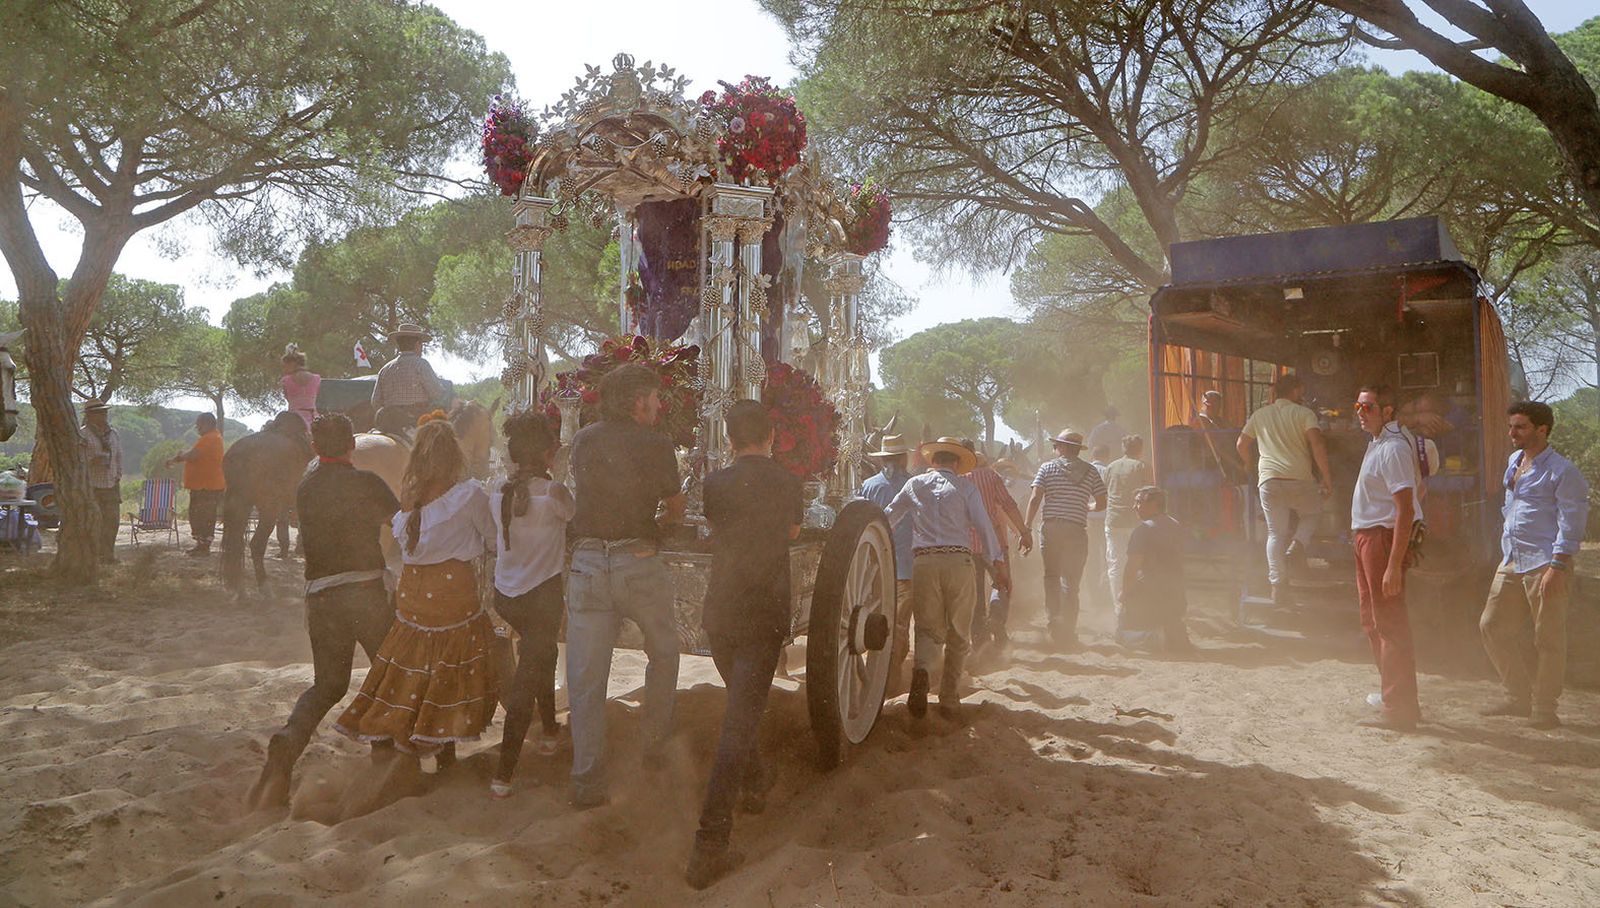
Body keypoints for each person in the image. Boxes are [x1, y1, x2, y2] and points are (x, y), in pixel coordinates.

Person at [247, 414, 399, 810]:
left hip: (321, 596)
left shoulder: (306, 489)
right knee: (389, 672)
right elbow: (403, 528)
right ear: (353, 444)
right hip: (365, 591)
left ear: (315, 448)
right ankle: (384, 753)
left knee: (328, 685)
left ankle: (288, 742)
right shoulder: (369, 483)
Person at [687, 400, 805, 889]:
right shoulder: (789, 483)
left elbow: (716, 526)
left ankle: (755, 779)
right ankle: (710, 843)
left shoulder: (713, 485)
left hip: (722, 612)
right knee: (737, 723)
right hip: (763, 612)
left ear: (730, 440)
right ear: (770, 436)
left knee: (741, 706)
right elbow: (794, 532)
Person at [334, 418, 498, 758]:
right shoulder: (469, 494)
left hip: (412, 591)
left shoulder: (408, 495)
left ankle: (392, 729)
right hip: (453, 591)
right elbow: (494, 540)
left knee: (408, 656)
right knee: (452, 661)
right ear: (454, 456)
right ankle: (442, 743)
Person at [565, 362, 685, 808]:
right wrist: (661, 524)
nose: (658, 405)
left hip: (589, 561)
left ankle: (588, 781)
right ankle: (653, 746)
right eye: (654, 398)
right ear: (638, 402)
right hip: (637, 559)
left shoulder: (582, 440)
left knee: (586, 676)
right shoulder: (656, 444)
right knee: (665, 652)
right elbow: (675, 504)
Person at [1480, 401, 1590, 729]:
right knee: (1492, 625)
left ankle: (1545, 709)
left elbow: (1572, 522)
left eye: (1520, 427)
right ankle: (1517, 697)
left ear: (1542, 430)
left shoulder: (1563, 471)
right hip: (1513, 559)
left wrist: (1558, 565)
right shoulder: (1514, 462)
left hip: (1546, 563)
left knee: (1548, 639)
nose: (1512, 433)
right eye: (1511, 426)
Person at [884, 439, 1008, 721]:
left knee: (927, 628)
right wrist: (998, 563)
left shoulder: (915, 485)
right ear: (956, 463)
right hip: (959, 561)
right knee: (959, 630)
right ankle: (949, 697)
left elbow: (889, 516)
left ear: (933, 461)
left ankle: (922, 672)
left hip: (924, 562)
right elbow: (984, 527)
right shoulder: (966, 488)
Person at [488, 412, 575, 797]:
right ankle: (504, 772)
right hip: (541, 597)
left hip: (506, 596)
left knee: (541, 657)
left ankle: (551, 729)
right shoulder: (554, 494)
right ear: (546, 452)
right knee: (530, 672)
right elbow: (575, 517)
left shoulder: (496, 490)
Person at [1350, 385, 1421, 732]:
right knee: (1373, 620)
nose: (1362, 413)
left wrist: (1394, 563)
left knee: (1389, 622)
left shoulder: (1392, 448)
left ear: (1388, 410)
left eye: (1369, 407)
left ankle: (1399, 708)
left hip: (1380, 538)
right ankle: (1392, 696)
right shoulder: (1378, 443)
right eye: (1359, 406)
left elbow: (1405, 508)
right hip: (1367, 536)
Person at [1237, 373, 1332, 604]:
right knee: (1312, 513)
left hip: (1268, 480)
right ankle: (1298, 546)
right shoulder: (1304, 413)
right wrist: (1327, 477)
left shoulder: (1259, 415)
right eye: (1301, 390)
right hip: (1299, 477)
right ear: (1295, 391)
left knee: (1275, 533)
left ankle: (1278, 585)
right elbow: (1317, 444)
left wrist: (1249, 463)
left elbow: (1241, 444)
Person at [1022, 429, 1107, 647]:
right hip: (1076, 530)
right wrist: (1084, 506)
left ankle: (1054, 626)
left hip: (1051, 529)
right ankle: (1068, 630)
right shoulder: (1090, 471)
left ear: (1062, 447)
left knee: (1051, 577)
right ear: (1077, 449)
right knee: (1071, 583)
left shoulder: (1047, 468)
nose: (1055, 448)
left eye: (1057, 445)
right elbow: (1102, 503)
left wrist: (1026, 527)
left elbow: (1034, 499)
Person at [957, 437, 1031, 651]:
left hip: (966, 546)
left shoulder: (956, 479)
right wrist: (1024, 531)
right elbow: (1008, 504)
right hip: (994, 543)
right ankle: (997, 617)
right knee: (1003, 584)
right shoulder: (991, 476)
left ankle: (980, 640)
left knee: (975, 594)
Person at [856, 434, 916, 695]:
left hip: (873, 568)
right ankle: (890, 681)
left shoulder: (868, 486)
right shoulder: (916, 485)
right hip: (905, 567)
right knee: (900, 624)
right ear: (903, 458)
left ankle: (874, 676)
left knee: (873, 619)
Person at [1117, 486, 1191, 652]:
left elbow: (1132, 568)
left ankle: (1151, 636)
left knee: (1122, 636)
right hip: (1176, 597)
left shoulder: (1143, 530)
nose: (1134, 506)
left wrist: (1124, 592)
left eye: (1138, 502)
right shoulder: (1175, 525)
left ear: (1154, 504)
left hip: (1151, 597)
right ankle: (1169, 632)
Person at [1103, 435, 1153, 606]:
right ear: (1140, 449)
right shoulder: (1142, 466)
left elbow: (1106, 492)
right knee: (1139, 562)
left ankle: (1119, 606)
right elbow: (1150, 494)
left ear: (1123, 449)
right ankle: (1137, 603)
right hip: (1135, 522)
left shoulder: (1110, 467)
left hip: (1113, 521)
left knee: (1116, 565)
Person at [165, 412, 226, 556]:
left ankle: (203, 546)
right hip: (204, 485)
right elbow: (195, 453)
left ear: (207, 424)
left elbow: (193, 454)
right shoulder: (210, 438)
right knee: (200, 515)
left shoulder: (210, 438)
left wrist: (177, 458)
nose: (197, 427)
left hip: (207, 486)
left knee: (203, 516)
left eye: (199, 424)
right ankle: (201, 545)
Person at [370, 323, 447, 425]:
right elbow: (436, 393)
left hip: (390, 422)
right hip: (416, 421)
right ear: (417, 344)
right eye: (421, 344)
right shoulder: (421, 364)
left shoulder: (385, 369)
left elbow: (375, 402)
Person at [79, 401, 122, 564]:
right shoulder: (82, 434)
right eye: (99, 412)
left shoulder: (113, 434)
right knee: (94, 521)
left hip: (111, 483)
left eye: (104, 412)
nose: (103, 415)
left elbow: (119, 456)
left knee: (112, 521)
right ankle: (94, 555)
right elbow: (78, 459)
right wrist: (92, 461)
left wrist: (118, 474)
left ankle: (108, 554)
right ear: (89, 416)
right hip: (92, 485)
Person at [1083, 444, 1112, 611]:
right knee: (1109, 558)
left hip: (1088, 520)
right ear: (1106, 456)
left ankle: (1094, 596)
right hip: (1107, 520)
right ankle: (1106, 593)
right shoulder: (1109, 471)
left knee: (1091, 559)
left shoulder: (1084, 471)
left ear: (1092, 456)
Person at [280, 344, 321, 430]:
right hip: (313, 418)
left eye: (285, 366)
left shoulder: (285, 381)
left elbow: (288, 399)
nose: (284, 370)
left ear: (292, 364)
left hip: (293, 421)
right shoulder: (316, 379)